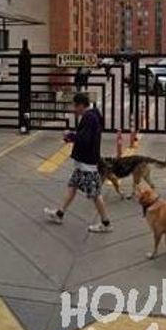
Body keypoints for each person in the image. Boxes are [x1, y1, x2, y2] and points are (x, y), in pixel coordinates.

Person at [44, 92, 113, 233]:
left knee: (95, 194)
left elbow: (84, 140)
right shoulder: (93, 115)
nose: (74, 109)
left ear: (81, 105)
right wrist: (72, 137)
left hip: (87, 162)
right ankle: (59, 213)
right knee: (72, 186)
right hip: (84, 161)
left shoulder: (89, 118)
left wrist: (70, 135)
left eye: (75, 106)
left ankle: (106, 223)